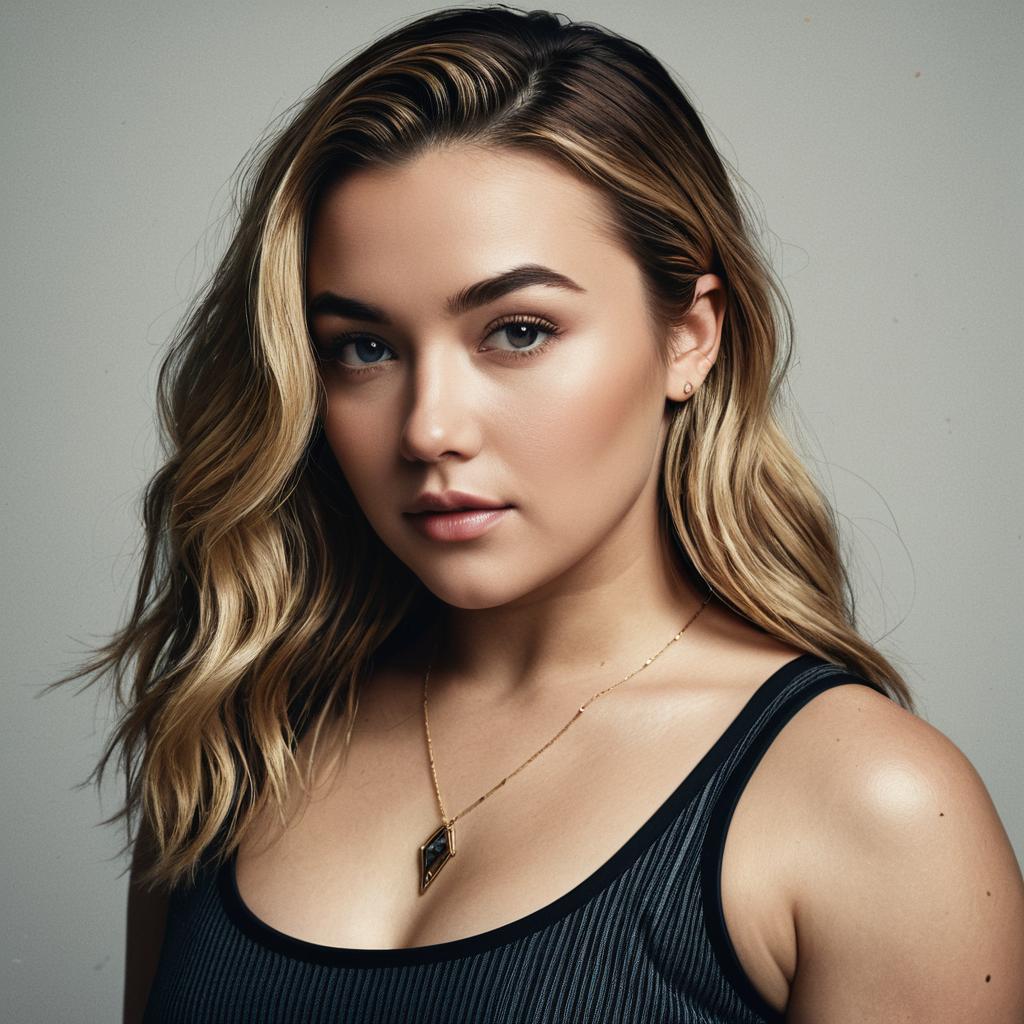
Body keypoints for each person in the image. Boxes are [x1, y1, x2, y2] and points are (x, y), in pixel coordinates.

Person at [57, 5, 1023, 1022]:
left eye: (516, 331)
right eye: (364, 347)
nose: (428, 427)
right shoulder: (235, 738)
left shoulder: (870, 809)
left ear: (689, 337)